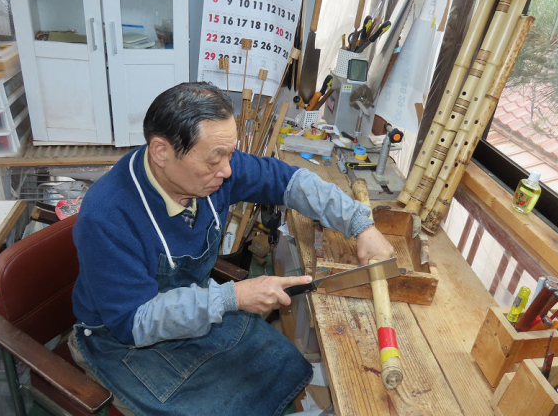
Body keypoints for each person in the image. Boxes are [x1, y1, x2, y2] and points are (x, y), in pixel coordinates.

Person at [69, 82, 394, 416]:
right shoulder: (107, 216)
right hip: (122, 340)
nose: (227, 170)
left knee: (283, 363)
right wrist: (231, 298)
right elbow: (132, 322)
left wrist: (360, 224)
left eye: (230, 153)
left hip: (193, 305)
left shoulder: (217, 171)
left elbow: (289, 181)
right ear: (161, 152)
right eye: (215, 158)